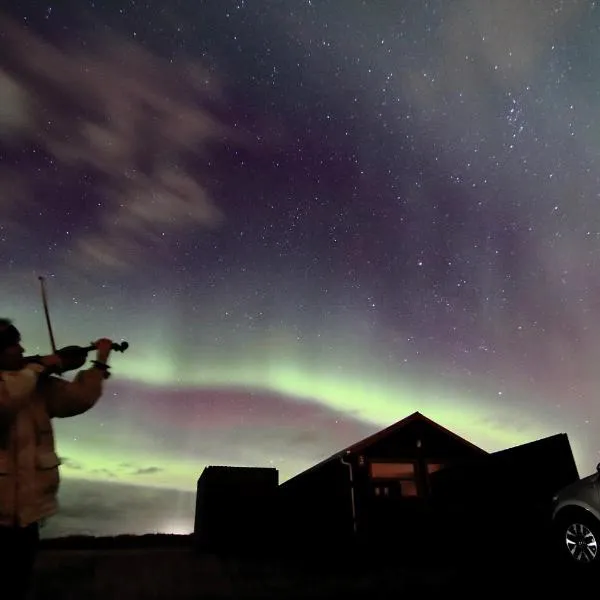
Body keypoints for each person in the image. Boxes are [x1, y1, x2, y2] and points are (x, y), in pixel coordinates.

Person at [0, 318, 113, 599]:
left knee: (17, 584)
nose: (22, 348)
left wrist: (98, 365)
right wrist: (40, 366)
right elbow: (6, 401)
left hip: (26, 517)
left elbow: (77, 398)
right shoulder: (27, 379)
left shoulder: (34, 382)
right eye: (13, 345)